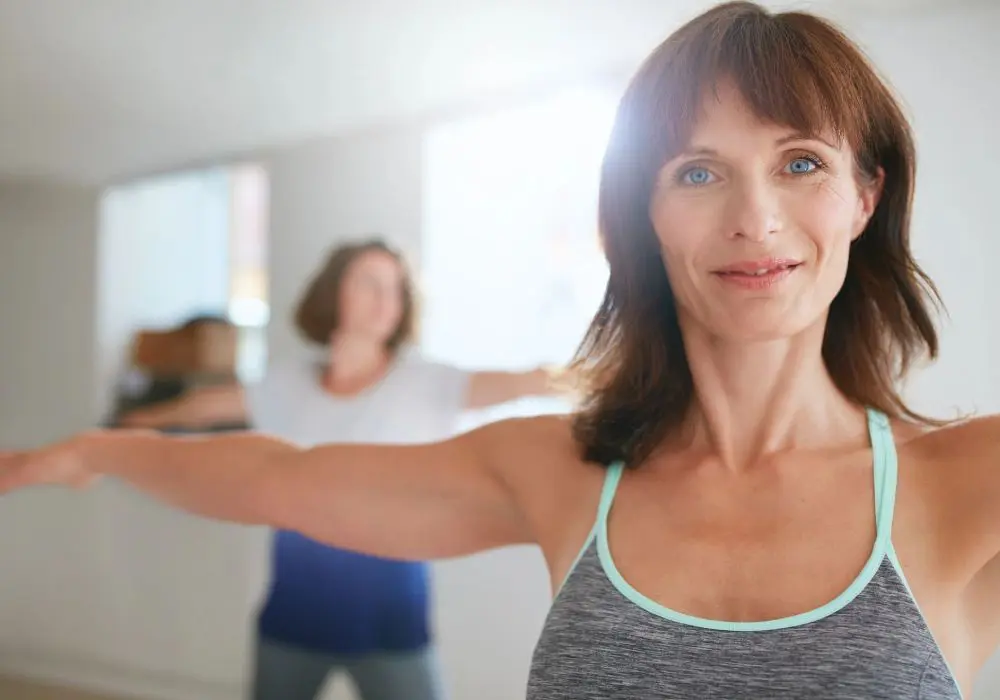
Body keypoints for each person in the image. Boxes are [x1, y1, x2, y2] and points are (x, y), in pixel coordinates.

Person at [2, 2, 999, 697]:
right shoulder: (562, 470)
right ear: (642, 215)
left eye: (799, 162)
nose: (754, 216)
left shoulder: (967, 482)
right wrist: (98, 451)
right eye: (698, 172)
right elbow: (280, 477)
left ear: (865, 195)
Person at [113, 239, 563, 700]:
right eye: (370, 283)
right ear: (334, 293)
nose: (385, 300)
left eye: (395, 288)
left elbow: (521, 382)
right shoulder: (287, 383)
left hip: (391, 619)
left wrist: (606, 377)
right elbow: (208, 406)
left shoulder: (427, 383)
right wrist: (131, 428)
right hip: (293, 612)